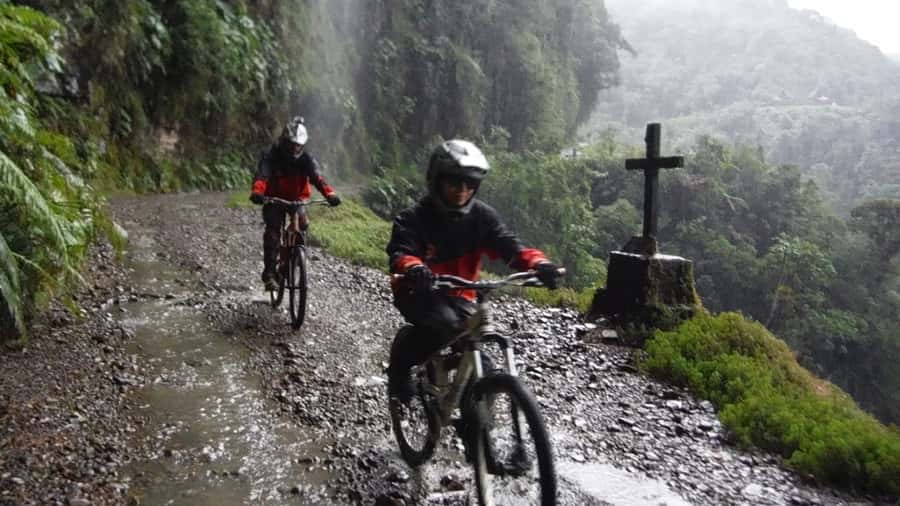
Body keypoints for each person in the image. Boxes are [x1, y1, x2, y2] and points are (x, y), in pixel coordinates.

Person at [385, 139, 563, 402]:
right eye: (454, 183)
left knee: (481, 359)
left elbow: (509, 245)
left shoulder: (482, 216)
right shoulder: (414, 217)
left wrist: (539, 264)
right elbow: (402, 252)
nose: (462, 190)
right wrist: (415, 268)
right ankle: (400, 367)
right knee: (443, 325)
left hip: (462, 293)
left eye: (470, 184)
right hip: (418, 291)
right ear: (437, 181)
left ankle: (475, 428)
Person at [250, 116, 341, 291]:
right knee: (273, 233)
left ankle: (297, 256)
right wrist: (257, 192)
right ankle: (269, 273)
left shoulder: (306, 159)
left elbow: (318, 178)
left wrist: (330, 194)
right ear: (284, 141)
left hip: (297, 199)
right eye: (292, 144)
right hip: (273, 199)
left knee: (303, 224)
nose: (295, 148)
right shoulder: (272, 155)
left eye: (298, 145)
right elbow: (262, 175)